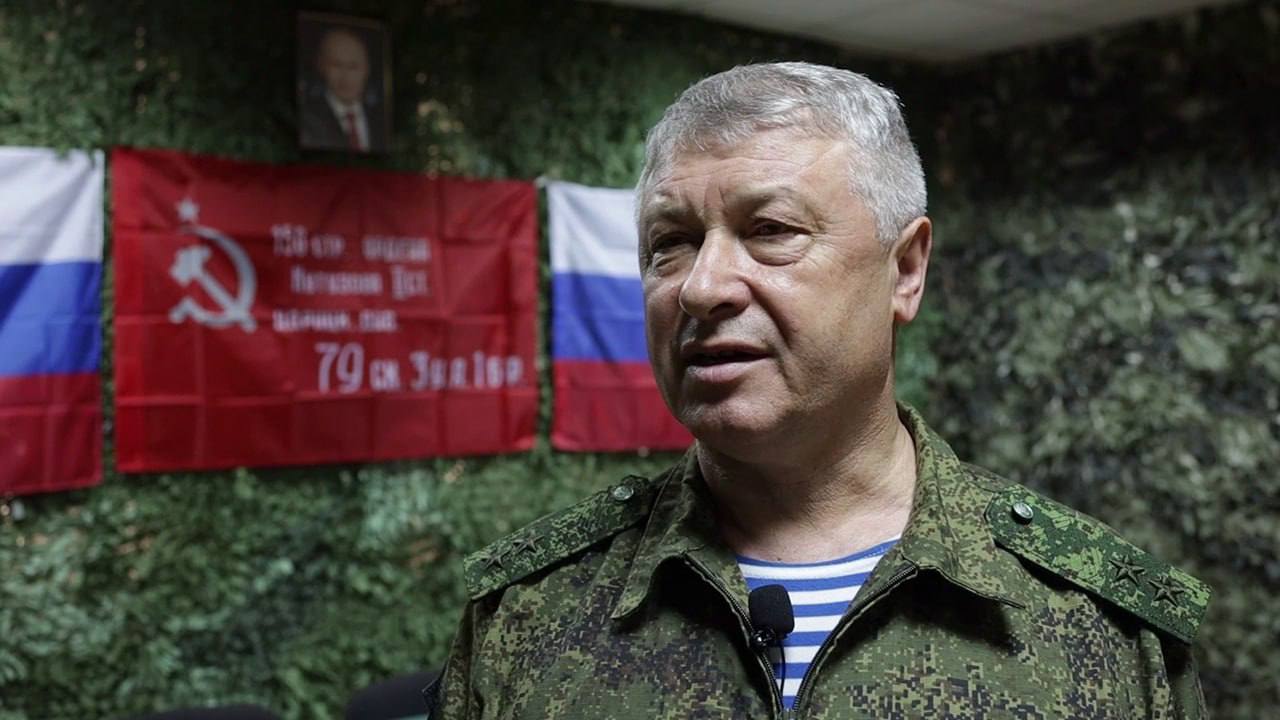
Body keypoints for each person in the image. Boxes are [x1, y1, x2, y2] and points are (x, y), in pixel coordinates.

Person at [427, 62, 1211, 718]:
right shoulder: (528, 614)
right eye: (672, 243)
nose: (701, 287)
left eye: (771, 231)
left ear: (905, 270)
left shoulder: (1100, 625)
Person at [299, 26, 387, 153]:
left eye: (353, 66)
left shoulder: (381, 119)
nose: (345, 77)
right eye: (336, 65)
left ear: (367, 69)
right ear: (321, 66)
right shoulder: (307, 118)